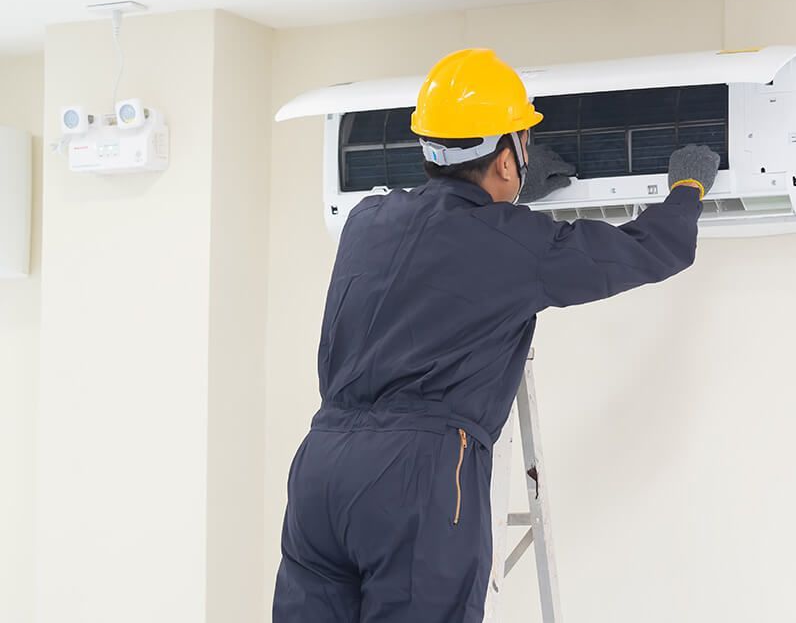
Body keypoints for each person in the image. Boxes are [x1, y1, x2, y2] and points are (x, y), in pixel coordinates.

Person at [273, 48, 719, 623]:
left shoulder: (367, 221)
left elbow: (444, 239)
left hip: (321, 467)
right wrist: (686, 187)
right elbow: (652, 249)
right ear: (508, 158)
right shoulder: (519, 244)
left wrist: (505, 199)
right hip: (416, 473)